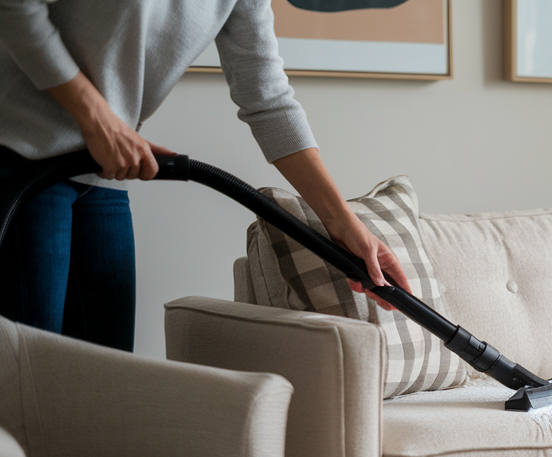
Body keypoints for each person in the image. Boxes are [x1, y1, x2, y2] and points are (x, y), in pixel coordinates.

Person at [0, 0, 411, 351]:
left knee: (105, 379)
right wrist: (98, 118)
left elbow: (268, 99)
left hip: (102, 174)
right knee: (26, 374)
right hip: (17, 155)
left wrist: (343, 223)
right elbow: (16, 7)